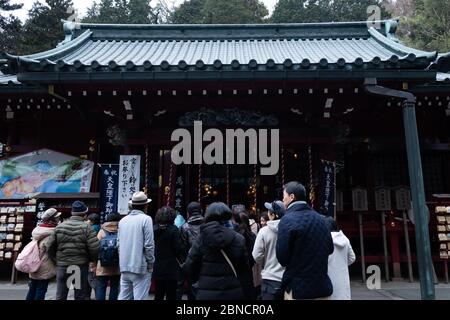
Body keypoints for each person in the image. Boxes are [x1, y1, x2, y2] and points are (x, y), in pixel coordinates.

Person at [183, 202, 253, 300]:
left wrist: (200, 281)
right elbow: (245, 272)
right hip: (232, 292)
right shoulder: (238, 239)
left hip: (206, 292)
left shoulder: (202, 238)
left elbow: (189, 266)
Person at [276, 181, 334, 300]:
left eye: (284, 196)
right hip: (322, 287)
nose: (283, 200)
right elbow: (330, 249)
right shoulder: (321, 219)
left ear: (292, 197)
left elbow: (282, 258)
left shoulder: (287, 220)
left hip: (298, 289)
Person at [47, 201, 99, 300]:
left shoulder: (60, 227)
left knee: (61, 295)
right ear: (85, 214)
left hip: (62, 266)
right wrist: (91, 260)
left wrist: (56, 259)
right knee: (80, 295)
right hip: (79, 266)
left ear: (72, 212)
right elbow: (94, 248)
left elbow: (48, 246)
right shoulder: (87, 228)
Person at [118, 191, 154, 300]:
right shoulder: (146, 219)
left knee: (124, 297)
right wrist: (150, 263)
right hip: (140, 266)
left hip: (124, 265)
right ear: (145, 206)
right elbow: (149, 245)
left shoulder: (123, 221)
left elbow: (118, 245)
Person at [252, 201, 286, 300]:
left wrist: (265, 263)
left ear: (272, 215)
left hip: (269, 278)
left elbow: (256, 255)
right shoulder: (290, 229)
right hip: (287, 278)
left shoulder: (263, 231)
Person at [26, 208, 60, 300]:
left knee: (32, 289)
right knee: (41, 290)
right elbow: (51, 251)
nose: (58, 219)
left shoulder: (39, 230)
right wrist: (57, 261)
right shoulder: (50, 233)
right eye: (57, 218)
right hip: (44, 265)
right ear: (51, 220)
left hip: (34, 263)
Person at [153, 206, 184, 300]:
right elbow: (177, 248)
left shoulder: (153, 229)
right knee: (171, 294)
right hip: (171, 266)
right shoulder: (174, 230)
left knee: (158, 293)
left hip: (157, 264)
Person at [324, 217, 356, 300]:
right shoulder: (345, 239)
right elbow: (352, 258)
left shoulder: (323, 239)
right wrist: (343, 264)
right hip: (343, 279)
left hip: (328, 277)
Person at [179, 202, 204, 300]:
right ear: (201, 211)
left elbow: (183, 248)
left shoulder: (184, 227)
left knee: (192, 289)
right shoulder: (207, 225)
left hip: (191, 262)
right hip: (206, 261)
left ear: (188, 213)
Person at [95, 213, 122, 301]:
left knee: (101, 287)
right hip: (116, 265)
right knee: (114, 287)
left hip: (102, 265)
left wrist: (93, 264)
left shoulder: (102, 231)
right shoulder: (121, 230)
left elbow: (95, 248)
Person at [87, 213, 101, 299]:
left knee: (91, 278)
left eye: (88, 219)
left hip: (91, 258)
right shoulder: (101, 228)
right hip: (98, 258)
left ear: (92, 221)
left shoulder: (91, 229)